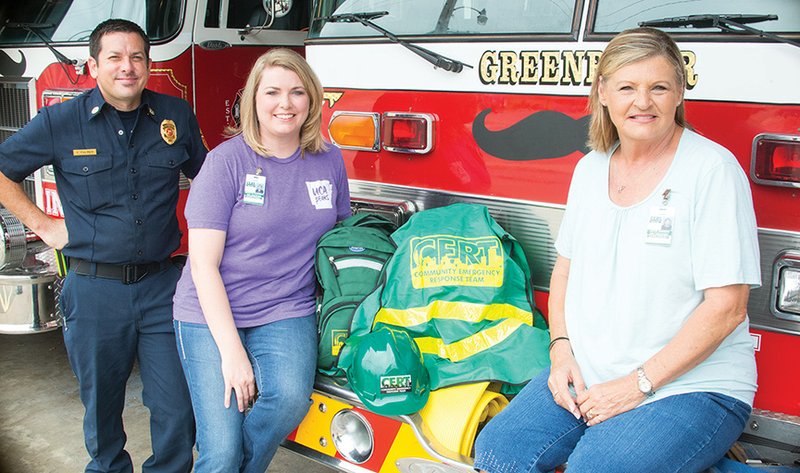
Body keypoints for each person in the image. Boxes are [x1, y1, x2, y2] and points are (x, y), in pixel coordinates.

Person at [473, 27, 760, 473]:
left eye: (658, 87)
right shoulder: (590, 168)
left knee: (598, 466)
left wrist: (637, 385)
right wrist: (562, 350)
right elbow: (565, 270)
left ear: (680, 93)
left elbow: (727, 308)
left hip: (691, 384)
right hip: (591, 372)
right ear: (603, 93)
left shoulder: (712, 170)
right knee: (498, 451)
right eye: (627, 87)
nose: (642, 102)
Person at [0, 19, 205, 472]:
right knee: (101, 409)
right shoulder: (61, 121)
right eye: (114, 57)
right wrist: (45, 225)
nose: (126, 67)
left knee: (177, 408)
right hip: (94, 290)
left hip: (164, 287)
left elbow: (210, 181)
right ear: (93, 66)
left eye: (136, 57)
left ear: (149, 65)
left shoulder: (176, 116)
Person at [172, 48, 351, 472]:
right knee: (219, 451)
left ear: (312, 100)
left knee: (289, 399)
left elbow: (341, 239)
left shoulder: (328, 160)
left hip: (285, 308)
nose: (285, 104)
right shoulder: (225, 163)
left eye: (297, 92)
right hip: (209, 313)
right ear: (253, 99)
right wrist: (232, 353)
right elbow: (202, 267)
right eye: (272, 92)